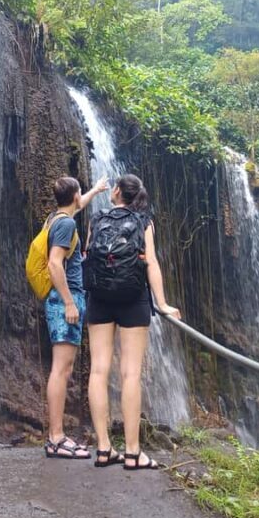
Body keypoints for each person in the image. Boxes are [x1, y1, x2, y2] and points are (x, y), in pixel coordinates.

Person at [86, 174, 181, 470]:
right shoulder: (143, 222)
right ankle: (132, 452)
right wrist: (162, 303)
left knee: (99, 370)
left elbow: (88, 257)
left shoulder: (96, 218)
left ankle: (103, 449)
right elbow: (150, 262)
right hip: (133, 300)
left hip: (99, 298)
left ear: (115, 192)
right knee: (130, 374)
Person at [44, 174, 108, 459]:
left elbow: (77, 206)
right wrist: (70, 303)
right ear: (73, 196)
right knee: (62, 368)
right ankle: (55, 438)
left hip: (63, 299)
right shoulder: (66, 224)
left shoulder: (56, 218)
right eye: (80, 194)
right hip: (63, 301)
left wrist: (95, 190)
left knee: (63, 367)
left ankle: (56, 435)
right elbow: (54, 264)